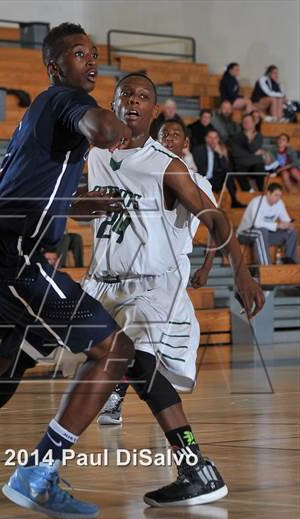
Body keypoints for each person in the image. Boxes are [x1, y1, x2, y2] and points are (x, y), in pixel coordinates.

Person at [0, 70, 264, 512]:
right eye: (126, 93)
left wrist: (241, 273)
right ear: (113, 100)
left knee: (139, 365)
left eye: (144, 96)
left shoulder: (166, 164)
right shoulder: (96, 154)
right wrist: (79, 204)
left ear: (154, 109)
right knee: (22, 350)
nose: (133, 101)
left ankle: (197, 470)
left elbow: (217, 219)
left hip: (149, 286)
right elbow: (69, 200)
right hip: (101, 280)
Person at [0, 22, 134, 519]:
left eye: (94, 53)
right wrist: (125, 128)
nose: (92, 61)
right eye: (81, 54)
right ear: (57, 66)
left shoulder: (42, 111)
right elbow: (103, 130)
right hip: (15, 251)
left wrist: (83, 202)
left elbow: (41, 186)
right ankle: (38, 472)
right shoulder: (64, 101)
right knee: (115, 350)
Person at [98, 114, 218, 427]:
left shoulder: (199, 183)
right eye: (163, 134)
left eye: (175, 135)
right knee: (138, 340)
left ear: (186, 143)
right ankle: (121, 398)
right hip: (148, 267)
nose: (168, 139)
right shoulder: (146, 170)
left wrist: (206, 266)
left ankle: (161, 405)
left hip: (176, 267)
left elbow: (217, 227)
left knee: (161, 346)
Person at [237, 183, 297, 264]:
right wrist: (277, 225)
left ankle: (290, 261)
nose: (278, 198)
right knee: (261, 231)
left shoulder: (280, 203)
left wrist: (289, 225)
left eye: (279, 196)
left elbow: (286, 220)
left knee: (291, 232)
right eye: (276, 195)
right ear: (268, 193)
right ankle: (266, 266)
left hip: (266, 235)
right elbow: (256, 224)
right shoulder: (257, 202)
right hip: (245, 233)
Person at [193, 128, 242, 207]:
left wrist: (220, 155)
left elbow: (225, 168)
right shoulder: (198, 150)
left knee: (227, 173)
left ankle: (234, 201)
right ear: (206, 139)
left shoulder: (219, 151)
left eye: (215, 138)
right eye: (210, 137)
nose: (213, 140)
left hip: (213, 181)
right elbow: (197, 168)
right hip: (200, 180)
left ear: (218, 139)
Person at [231, 112, 266, 192]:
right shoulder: (236, 137)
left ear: (254, 123)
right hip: (241, 165)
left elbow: (252, 148)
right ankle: (249, 190)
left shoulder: (258, 135)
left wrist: (250, 141)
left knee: (260, 167)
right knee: (237, 170)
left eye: (249, 121)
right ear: (242, 124)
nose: (247, 123)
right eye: (245, 122)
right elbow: (236, 154)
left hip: (255, 165)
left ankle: (261, 191)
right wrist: (254, 154)